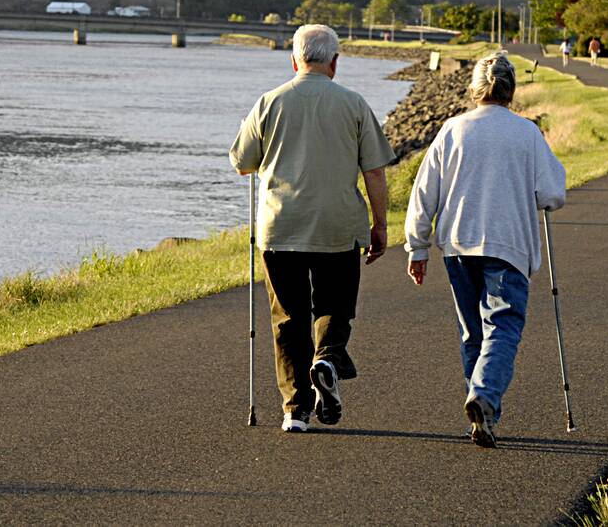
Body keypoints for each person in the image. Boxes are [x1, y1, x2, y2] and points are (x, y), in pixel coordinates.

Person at [230, 24, 397, 434]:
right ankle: (327, 357)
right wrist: (379, 225)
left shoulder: (269, 102)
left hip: (281, 225)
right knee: (334, 307)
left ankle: (296, 410)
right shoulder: (354, 104)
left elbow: (242, 163)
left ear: (294, 59)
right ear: (334, 62)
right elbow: (374, 171)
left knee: (287, 317)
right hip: (337, 225)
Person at [404, 51, 566, 448]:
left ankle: (481, 411)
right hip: (507, 244)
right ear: (511, 90)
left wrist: (417, 247)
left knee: (473, 331)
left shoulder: (453, 130)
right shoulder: (527, 133)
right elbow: (552, 194)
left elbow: (424, 193)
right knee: (504, 326)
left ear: (475, 89)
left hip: (458, 244)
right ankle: (485, 398)